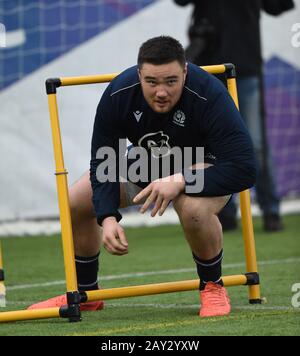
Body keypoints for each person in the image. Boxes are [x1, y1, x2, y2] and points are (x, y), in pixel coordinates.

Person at [28, 36, 256, 317]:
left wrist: (181, 180)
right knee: (76, 199)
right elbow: (104, 163)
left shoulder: (210, 93)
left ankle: (212, 286)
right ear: (139, 74)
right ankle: (88, 293)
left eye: (171, 81)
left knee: (194, 208)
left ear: (185, 72)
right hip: (147, 164)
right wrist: (107, 216)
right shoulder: (119, 93)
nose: (161, 92)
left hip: (201, 166)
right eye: (152, 82)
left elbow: (245, 167)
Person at [174, 0, 294, 231]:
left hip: (245, 68)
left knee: (256, 144)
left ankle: (270, 210)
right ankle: (224, 212)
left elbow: (278, 6)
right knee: (212, 144)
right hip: (210, 70)